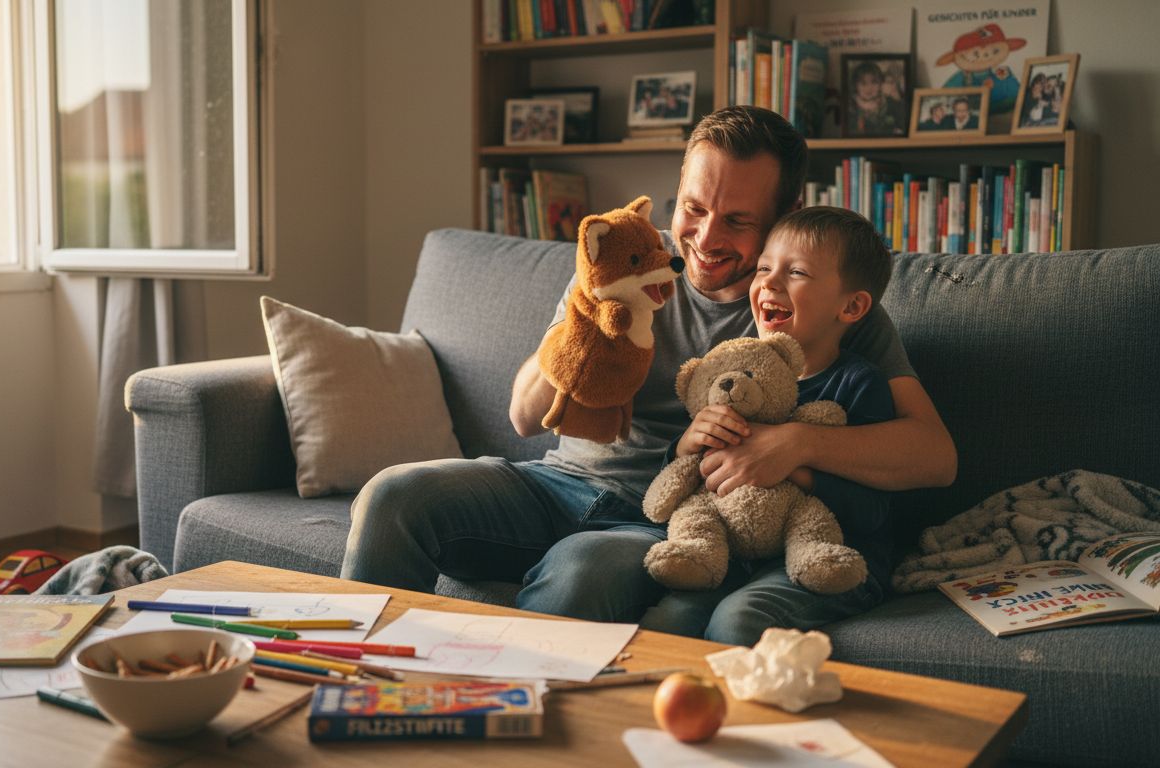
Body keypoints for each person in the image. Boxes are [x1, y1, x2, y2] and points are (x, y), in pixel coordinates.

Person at [340, 106, 956, 637]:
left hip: (665, 517)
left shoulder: (813, 304)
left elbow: (932, 454)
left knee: (580, 572)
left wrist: (794, 441)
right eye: (694, 208)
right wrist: (588, 311)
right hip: (553, 484)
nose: (706, 239)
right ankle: (351, 687)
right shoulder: (628, 257)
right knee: (394, 495)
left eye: (738, 221)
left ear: (787, 211)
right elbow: (525, 416)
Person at [639, 205, 897, 643]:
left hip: (829, 555)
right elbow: (686, 477)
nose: (768, 283)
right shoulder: (730, 368)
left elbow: (876, 512)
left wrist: (794, 469)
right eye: (763, 268)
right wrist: (686, 445)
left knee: (736, 621)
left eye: (795, 272)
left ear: (851, 306)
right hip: (732, 548)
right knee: (668, 623)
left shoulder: (858, 384)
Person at [849, 62, 905, 136]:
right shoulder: (852, 106)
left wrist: (897, 99)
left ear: (881, 84)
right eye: (863, 83)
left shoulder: (888, 102)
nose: (869, 88)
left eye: (874, 82)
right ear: (856, 86)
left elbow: (903, 122)